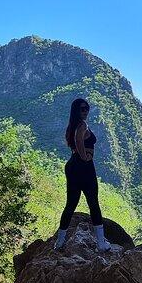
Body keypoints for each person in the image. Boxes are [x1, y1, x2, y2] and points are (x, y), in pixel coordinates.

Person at [54, 98, 111, 252]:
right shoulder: (83, 125)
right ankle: (101, 244)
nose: (85, 111)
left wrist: (79, 154)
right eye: (82, 109)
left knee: (70, 205)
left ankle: (59, 243)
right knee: (93, 203)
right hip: (84, 168)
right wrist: (84, 156)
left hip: (72, 167)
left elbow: (74, 141)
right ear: (76, 111)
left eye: (87, 108)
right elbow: (79, 141)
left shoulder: (71, 126)